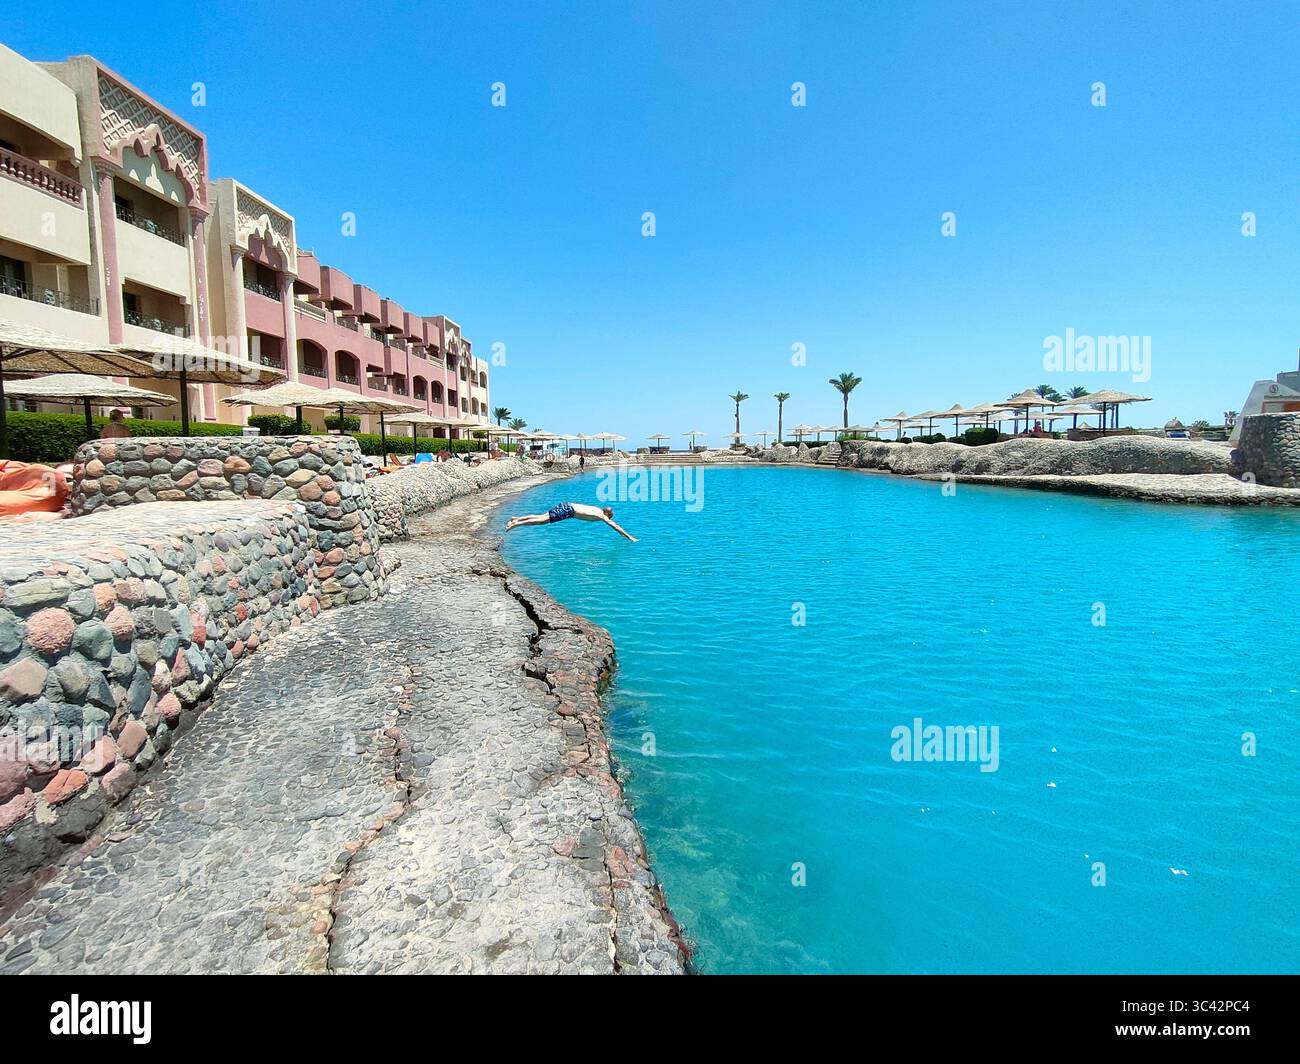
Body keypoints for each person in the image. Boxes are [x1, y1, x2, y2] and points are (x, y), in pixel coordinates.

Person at [505, 502, 636, 542]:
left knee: (541, 516)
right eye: (611, 516)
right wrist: (629, 537)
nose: (610, 518)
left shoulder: (596, 509)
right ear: (608, 514)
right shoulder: (602, 516)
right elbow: (616, 527)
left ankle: (516, 518)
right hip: (568, 511)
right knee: (541, 521)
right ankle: (516, 524)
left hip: (566, 505)